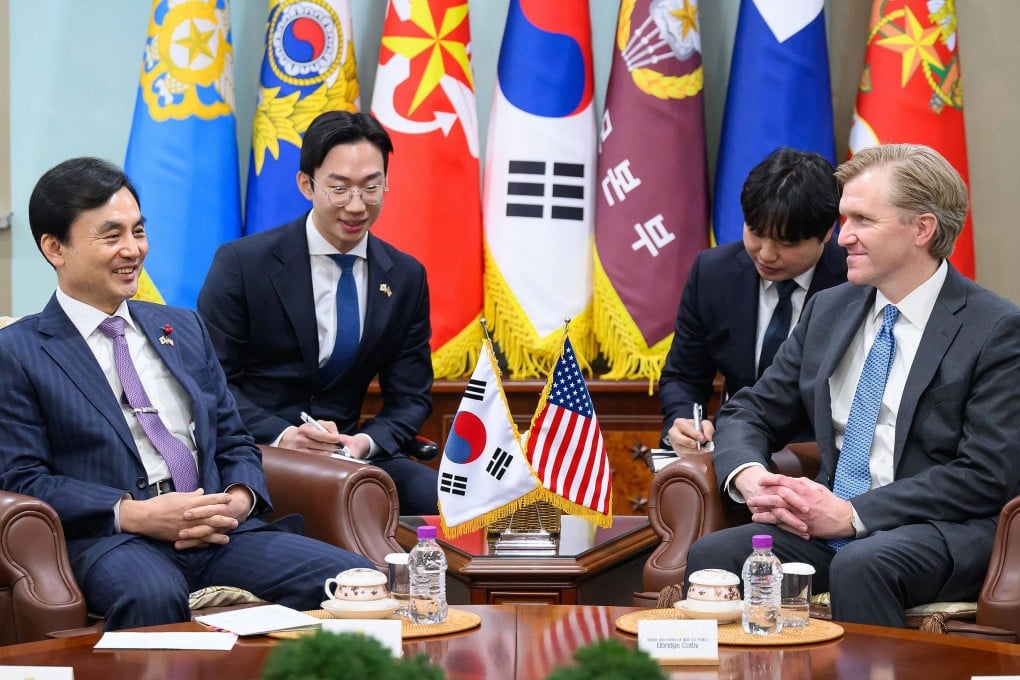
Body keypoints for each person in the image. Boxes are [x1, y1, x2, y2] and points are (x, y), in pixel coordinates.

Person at [0, 157, 373, 631]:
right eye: (111, 236)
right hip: (116, 540)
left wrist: (238, 498)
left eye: (138, 231)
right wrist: (134, 515)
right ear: (55, 248)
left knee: (355, 583)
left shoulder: (181, 327)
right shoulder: (18, 351)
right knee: (152, 596)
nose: (132, 250)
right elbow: (25, 479)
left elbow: (235, 439)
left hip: (218, 530)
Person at [685, 144, 1020, 627]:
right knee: (716, 555)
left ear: (921, 229)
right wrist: (749, 477)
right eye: (844, 219)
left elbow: (986, 474)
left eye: (862, 220)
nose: (843, 238)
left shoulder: (996, 329)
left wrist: (854, 513)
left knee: (863, 564)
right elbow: (751, 411)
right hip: (827, 523)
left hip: (940, 529)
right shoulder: (830, 310)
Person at [198, 111, 439, 515]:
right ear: (306, 184)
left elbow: (411, 396)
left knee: (444, 502)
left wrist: (364, 442)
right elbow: (210, 381)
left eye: (371, 187)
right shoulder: (243, 264)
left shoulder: (405, 276)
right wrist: (283, 434)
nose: (357, 205)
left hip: (349, 458)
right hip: (258, 450)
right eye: (339, 189)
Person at [659, 147, 846, 452]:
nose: (766, 253)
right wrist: (683, 419)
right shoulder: (713, 273)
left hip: (823, 461)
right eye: (756, 232)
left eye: (787, 242)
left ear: (826, 233)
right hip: (734, 450)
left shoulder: (856, 284)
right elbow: (683, 376)